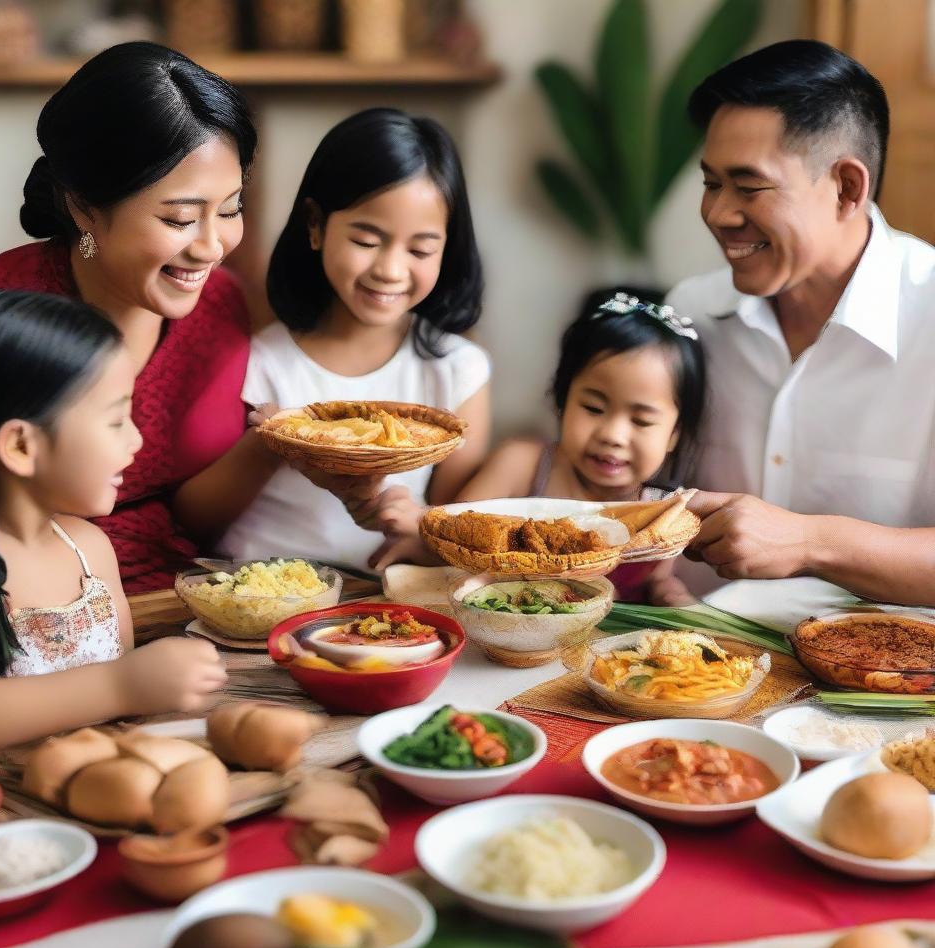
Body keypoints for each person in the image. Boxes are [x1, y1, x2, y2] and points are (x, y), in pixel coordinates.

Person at [0, 41, 264, 594]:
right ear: (82, 207)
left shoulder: (221, 307)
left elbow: (189, 514)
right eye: (179, 219)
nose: (212, 247)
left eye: (230, 210)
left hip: (201, 604)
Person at [0, 291, 227, 779]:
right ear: (20, 445)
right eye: (116, 419)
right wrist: (122, 684)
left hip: (72, 794)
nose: (136, 439)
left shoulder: (89, 551)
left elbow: (115, 715)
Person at [665, 39, 935, 605]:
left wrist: (812, 540)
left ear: (846, 188)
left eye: (749, 186)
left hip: (879, 679)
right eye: (711, 183)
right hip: (684, 668)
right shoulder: (691, 314)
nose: (717, 214)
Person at [218, 107, 491, 572]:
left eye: (421, 249)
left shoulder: (457, 370)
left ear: (448, 247)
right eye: (367, 240)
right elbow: (197, 520)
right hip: (255, 585)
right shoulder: (260, 360)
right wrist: (275, 444)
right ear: (316, 226)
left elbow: (458, 530)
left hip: (378, 599)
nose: (389, 269)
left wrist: (421, 527)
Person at [375, 293, 705, 605]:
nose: (614, 435)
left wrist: (674, 597)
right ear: (563, 402)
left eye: (642, 421)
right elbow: (456, 537)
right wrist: (419, 523)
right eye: (593, 408)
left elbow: (657, 580)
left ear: (675, 434)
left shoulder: (662, 510)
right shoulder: (523, 465)